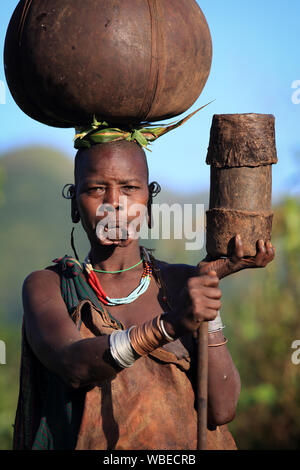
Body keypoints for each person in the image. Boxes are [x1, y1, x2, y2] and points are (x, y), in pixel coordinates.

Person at [13, 140, 275, 450]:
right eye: (96, 189)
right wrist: (168, 326)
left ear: (148, 201)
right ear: (74, 203)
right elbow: (74, 366)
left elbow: (221, 409)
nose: (114, 203)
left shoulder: (181, 283)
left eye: (129, 188)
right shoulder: (49, 286)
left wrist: (209, 284)